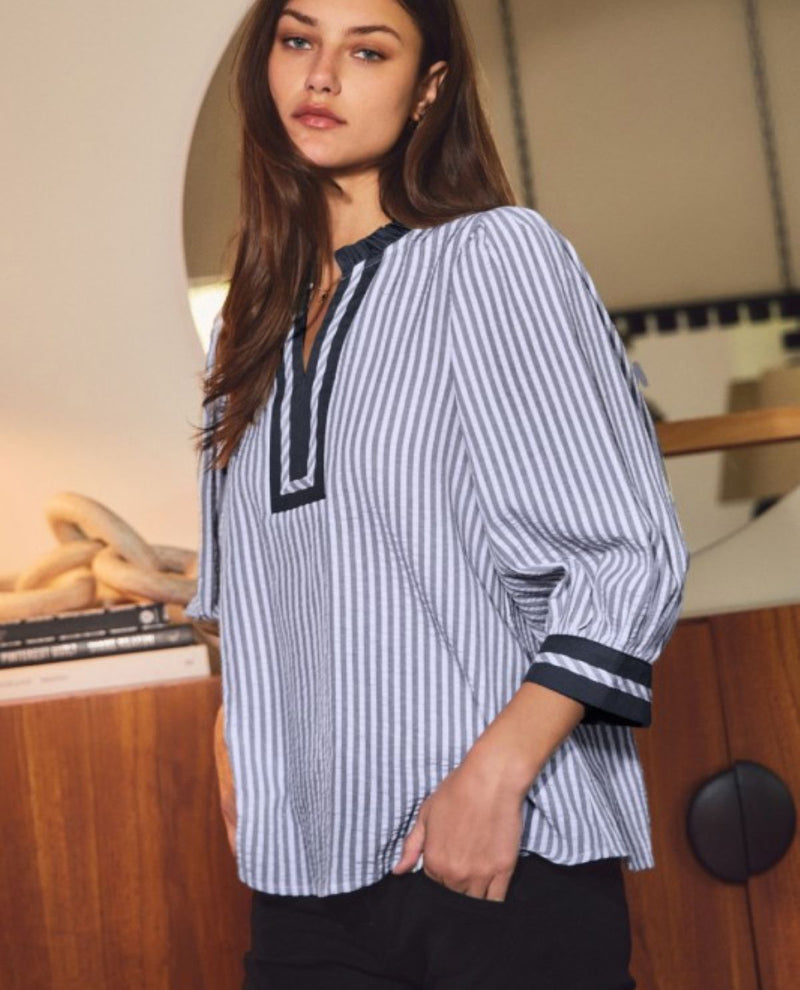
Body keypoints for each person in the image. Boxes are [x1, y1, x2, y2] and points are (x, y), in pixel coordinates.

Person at [185, 0, 690, 987]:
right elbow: (245, 588)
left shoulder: (492, 256)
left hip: (496, 855)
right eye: (298, 39)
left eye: (367, 50)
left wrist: (489, 783)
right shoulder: (243, 326)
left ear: (428, 88)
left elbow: (631, 557)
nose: (321, 74)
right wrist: (232, 737)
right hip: (304, 872)